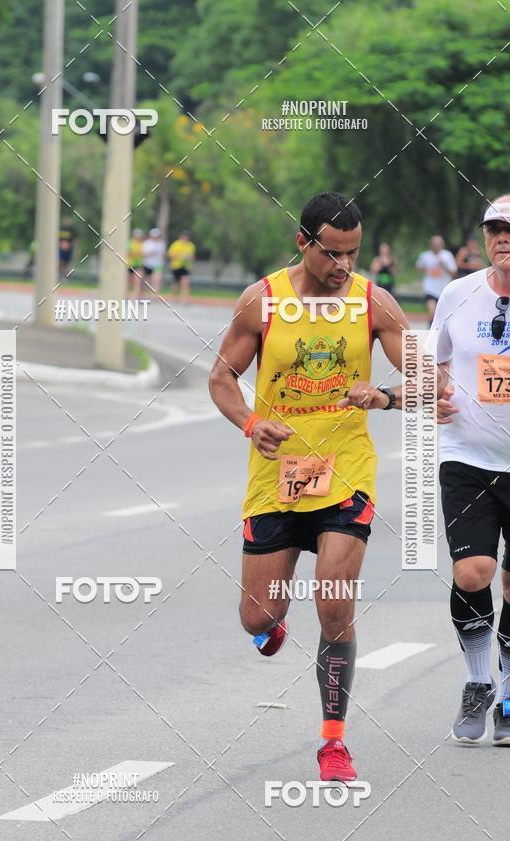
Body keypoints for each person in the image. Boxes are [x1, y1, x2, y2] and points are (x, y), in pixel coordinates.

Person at [209, 191, 412, 782]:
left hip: (347, 470)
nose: (344, 265)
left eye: (353, 252)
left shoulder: (373, 302)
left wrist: (386, 395)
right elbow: (221, 377)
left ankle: (333, 743)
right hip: (278, 480)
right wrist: (250, 422)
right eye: (332, 253)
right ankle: (271, 624)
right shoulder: (262, 301)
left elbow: (428, 379)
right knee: (256, 615)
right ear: (303, 242)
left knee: (333, 600)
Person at [435, 194, 510, 747]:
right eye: (494, 229)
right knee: (474, 573)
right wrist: (435, 387)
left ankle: (508, 692)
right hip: (466, 456)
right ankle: (480, 681)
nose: (503, 238)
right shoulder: (458, 293)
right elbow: (431, 358)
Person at [416, 235, 457, 326]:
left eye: (438, 243)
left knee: (443, 316)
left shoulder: (447, 255)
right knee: (432, 313)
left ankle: (440, 335)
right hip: (430, 288)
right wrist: (426, 268)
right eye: (434, 243)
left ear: (442, 245)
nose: (436, 245)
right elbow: (419, 267)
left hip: (444, 289)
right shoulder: (425, 256)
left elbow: (453, 272)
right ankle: (431, 334)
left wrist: (443, 264)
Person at [168, 230, 196, 303]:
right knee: (175, 283)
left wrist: (189, 257)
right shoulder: (176, 244)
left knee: (185, 282)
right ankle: (174, 298)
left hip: (185, 266)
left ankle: (185, 299)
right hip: (176, 266)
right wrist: (180, 256)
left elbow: (192, 256)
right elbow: (170, 255)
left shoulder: (191, 245)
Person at [142, 227, 165, 294]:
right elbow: (144, 254)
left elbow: (162, 254)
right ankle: (147, 293)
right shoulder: (147, 243)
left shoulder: (161, 243)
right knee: (148, 280)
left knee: (157, 279)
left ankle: (156, 294)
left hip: (158, 264)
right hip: (148, 264)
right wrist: (151, 252)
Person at [127, 229, 145, 298]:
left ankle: (134, 297)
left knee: (137, 281)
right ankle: (128, 295)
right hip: (129, 264)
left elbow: (144, 253)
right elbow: (129, 252)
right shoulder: (129, 243)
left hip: (138, 264)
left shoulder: (142, 244)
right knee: (129, 282)